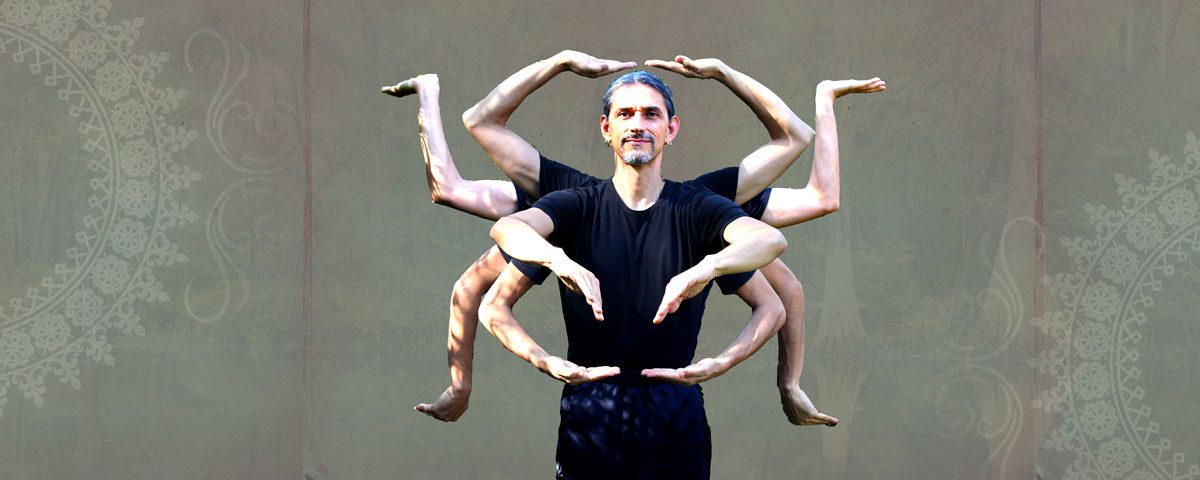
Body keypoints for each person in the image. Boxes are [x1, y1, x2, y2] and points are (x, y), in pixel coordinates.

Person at [380, 52, 882, 426]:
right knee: (469, 268)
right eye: (626, 116)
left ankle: (790, 388)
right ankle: (460, 388)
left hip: (675, 291)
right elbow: (478, 126)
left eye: (649, 116)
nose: (638, 125)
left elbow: (809, 182)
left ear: (671, 130)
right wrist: (560, 61)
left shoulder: (705, 202)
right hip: (565, 223)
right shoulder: (572, 196)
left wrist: (728, 74)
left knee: (785, 282)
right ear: (606, 129)